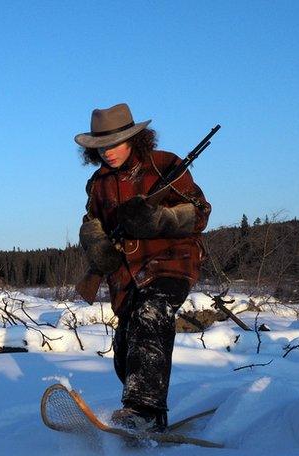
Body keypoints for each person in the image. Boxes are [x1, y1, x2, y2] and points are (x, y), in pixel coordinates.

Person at [74, 103, 211, 432]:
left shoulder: (165, 165)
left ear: (134, 138)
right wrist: (96, 244)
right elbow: (94, 224)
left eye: (115, 143)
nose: (108, 152)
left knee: (151, 314)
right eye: (101, 146)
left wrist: (161, 218)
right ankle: (150, 416)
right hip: (126, 276)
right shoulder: (98, 184)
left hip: (171, 262)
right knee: (126, 349)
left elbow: (199, 212)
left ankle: (143, 413)